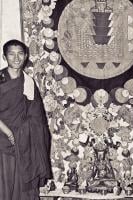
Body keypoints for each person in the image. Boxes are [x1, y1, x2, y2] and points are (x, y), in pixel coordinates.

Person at [0, 39, 52, 200]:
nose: (16, 58)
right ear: (4, 57)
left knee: (24, 188)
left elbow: (37, 117)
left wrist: (28, 134)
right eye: (11, 54)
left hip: (25, 142)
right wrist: (9, 133)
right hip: (3, 141)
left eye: (20, 54)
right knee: (6, 183)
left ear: (26, 56)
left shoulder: (28, 82)